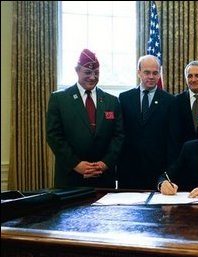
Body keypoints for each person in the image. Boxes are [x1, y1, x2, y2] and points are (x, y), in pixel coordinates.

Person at [46, 49, 124, 188]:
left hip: (104, 178)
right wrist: (76, 164)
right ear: (77, 71)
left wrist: (105, 163)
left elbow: (119, 136)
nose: (93, 77)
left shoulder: (112, 101)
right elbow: (54, 136)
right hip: (71, 177)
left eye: (96, 73)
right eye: (87, 72)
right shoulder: (59, 99)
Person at [117, 54, 178, 189]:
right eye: (147, 72)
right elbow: (119, 134)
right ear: (139, 72)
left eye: (155, 73)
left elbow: (172, 139)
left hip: (158, 172)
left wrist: (168, 172)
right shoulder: (124, 98)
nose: (151, 76)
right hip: (128, 170)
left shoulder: (170, 101)